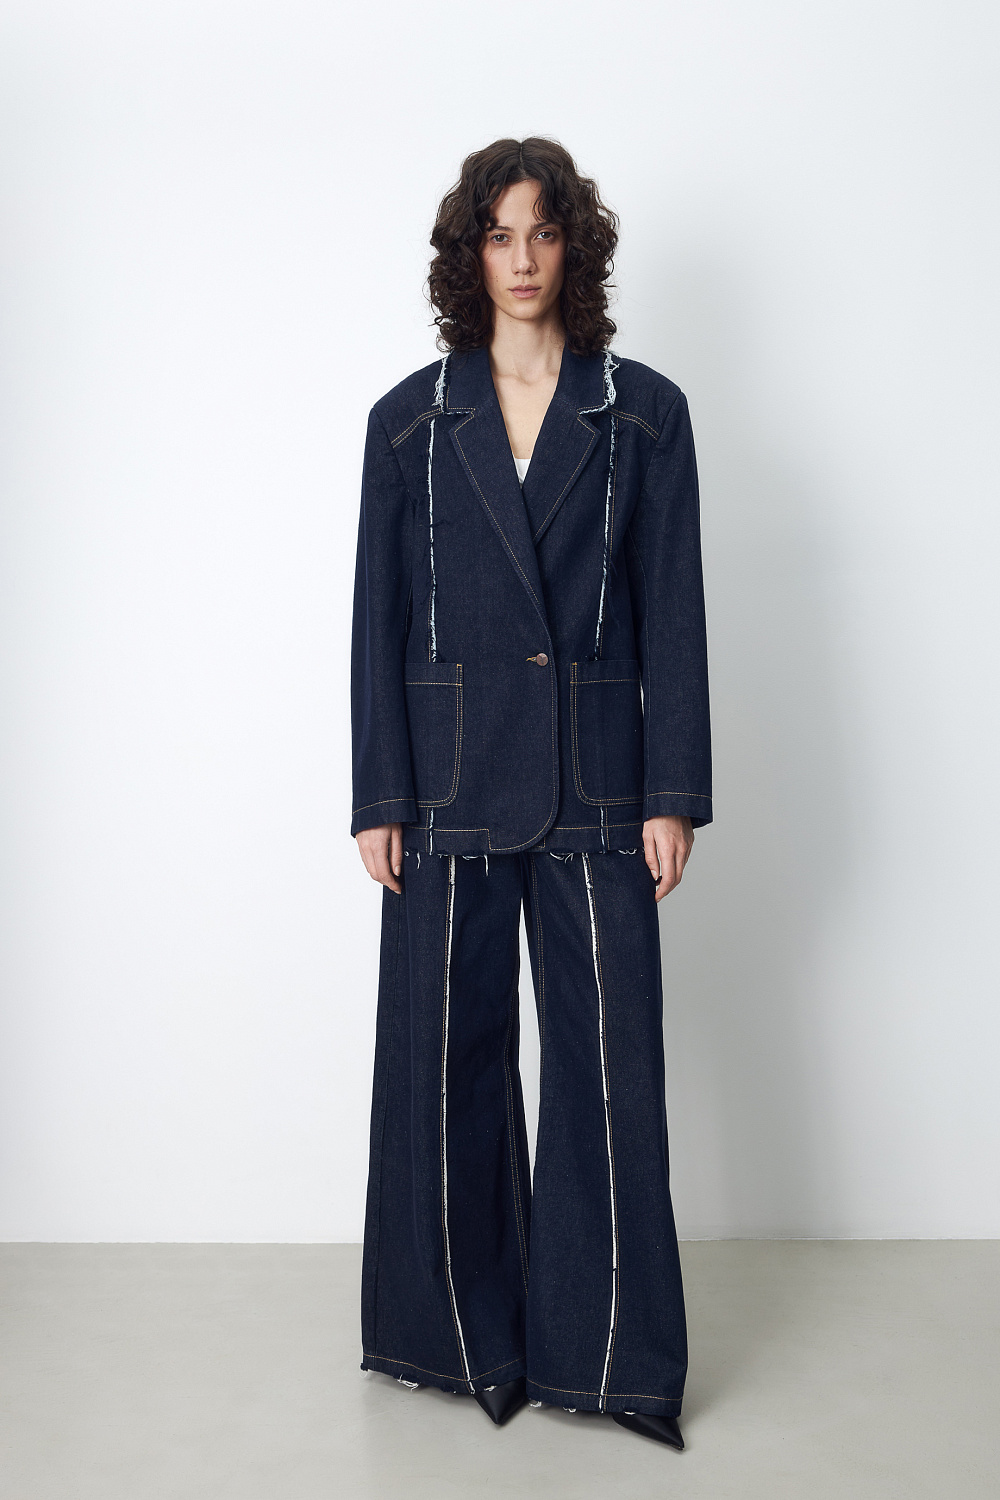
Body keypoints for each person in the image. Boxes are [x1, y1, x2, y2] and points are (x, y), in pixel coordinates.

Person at [350, 137, 711, 1451]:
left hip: (600, 783)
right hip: (446, 782)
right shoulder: (409, 422)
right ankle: (452, 1340)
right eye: (497, 236)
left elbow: (672, 612)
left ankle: (608, 1359)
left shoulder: (643, 414)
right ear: (469, 253)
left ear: (575, 246)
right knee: (442, 1064)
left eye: (542, 233)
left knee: (611, 1071)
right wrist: (379, 794)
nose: (520, 259)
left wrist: (672, 789)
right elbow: (378, 620)